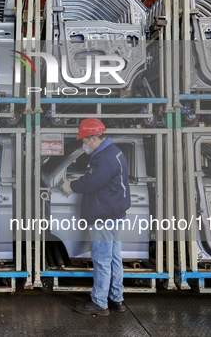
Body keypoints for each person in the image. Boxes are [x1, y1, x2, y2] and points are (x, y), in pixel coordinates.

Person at [62, 118, 131, 316]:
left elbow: (90, 184)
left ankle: (99, 302)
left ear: (93, 138)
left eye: (84, 140)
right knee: (114, 259)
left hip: (104, 217)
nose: (83, 144)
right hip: (115, 214)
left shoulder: (103, 158)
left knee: (102, 260)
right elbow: (99, 180)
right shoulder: (113, 151)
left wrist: (70, 185)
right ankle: (116, 299)